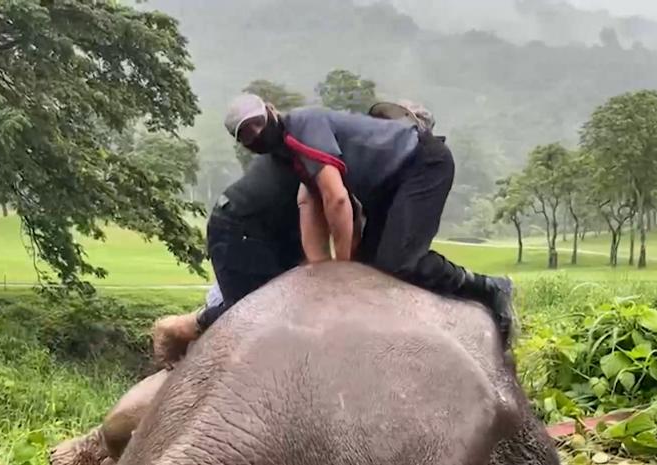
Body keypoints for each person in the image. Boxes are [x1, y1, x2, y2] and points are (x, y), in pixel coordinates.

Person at [223, 93, 516, 347]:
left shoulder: (302, 126)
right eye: (246, 133)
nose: (256, 133)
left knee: (398, 263)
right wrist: (320, 270)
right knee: (370, 270)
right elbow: (311, 202)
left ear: (271, 110)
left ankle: (488, 287)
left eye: (258, 122)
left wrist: (341, 269)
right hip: (387, 187)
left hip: (421, 164)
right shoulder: (285, 153)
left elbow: (336, 200)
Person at [150, 152, 308, 367]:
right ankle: (177, 328)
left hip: (279, 230)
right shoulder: (325, 153)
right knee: (249, 312)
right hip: (250, 231)